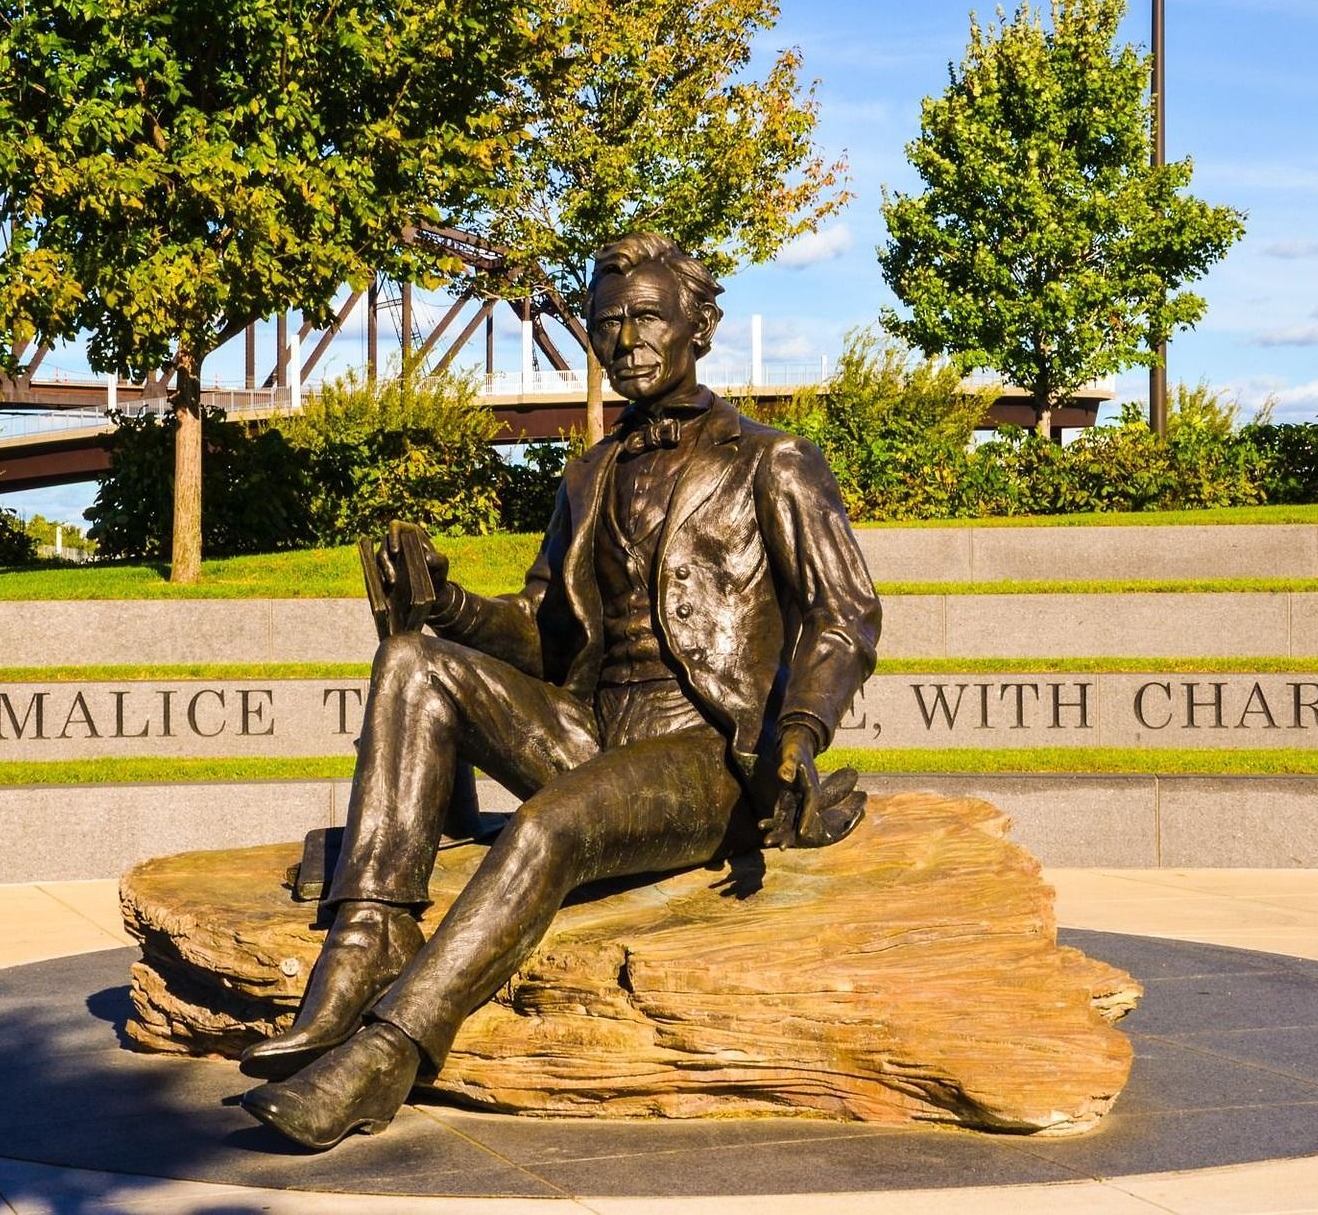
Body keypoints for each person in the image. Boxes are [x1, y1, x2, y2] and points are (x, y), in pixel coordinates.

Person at [240, 231, 882, 1151]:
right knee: (412, 658)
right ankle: (370, 931)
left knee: (546, 828)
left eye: (648, 317)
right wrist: (446, 605)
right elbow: (544, 633)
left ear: (700, 327)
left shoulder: (772, 460)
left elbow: (843, 612)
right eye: (607, 323)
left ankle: (389, 1050)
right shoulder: (588, 474)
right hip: (590, 730)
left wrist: (803, 728)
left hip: (707, 753)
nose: (626, 340)